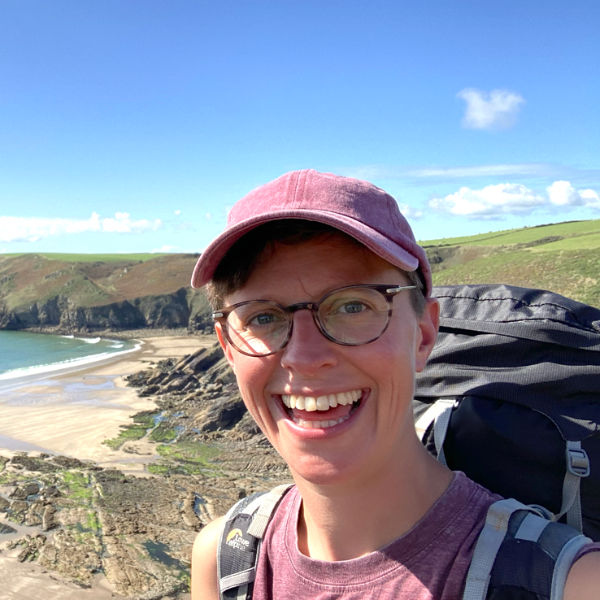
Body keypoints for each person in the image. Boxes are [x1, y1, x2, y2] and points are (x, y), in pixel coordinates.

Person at [189, 169, 599, 599]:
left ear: (424, 334)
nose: (304, 358)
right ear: (228, 347)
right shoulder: (224, 562)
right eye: (263, 317)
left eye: (352, 306)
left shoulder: (574, 585)